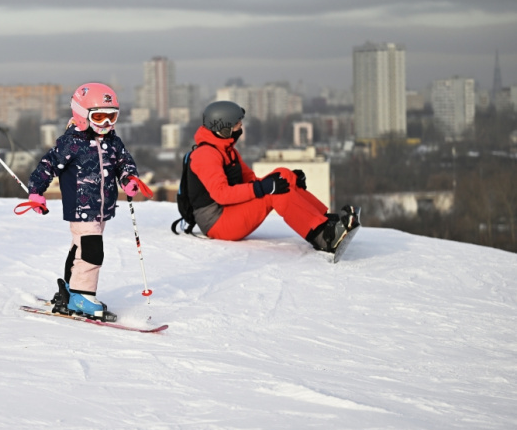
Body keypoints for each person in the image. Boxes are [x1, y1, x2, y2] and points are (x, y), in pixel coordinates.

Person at [26, 83, 144, 321]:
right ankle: (82, 295)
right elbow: (47, 165)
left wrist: (129, 179)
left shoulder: (113, 142)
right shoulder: (72, 143)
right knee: (92, 250)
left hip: (103, 209)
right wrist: (36, 192)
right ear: (82, 115)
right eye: (99, 117)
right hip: (81, 208)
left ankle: (70, 289)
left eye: (112, 117)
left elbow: (124, 163)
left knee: (80, 247)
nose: (106, 123)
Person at [186, 100, 359, 255]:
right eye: (237, 124)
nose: (241, 127)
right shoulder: (206, 155)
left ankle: (325, 221)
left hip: (229, 210)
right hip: (217, 222)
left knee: (282, 175)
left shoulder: (227, 150)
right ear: (224, 129)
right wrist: (264, 188)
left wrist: (291, 180)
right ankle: (324, 238)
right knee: (273, 194)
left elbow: (250, 180)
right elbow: (221, 194)